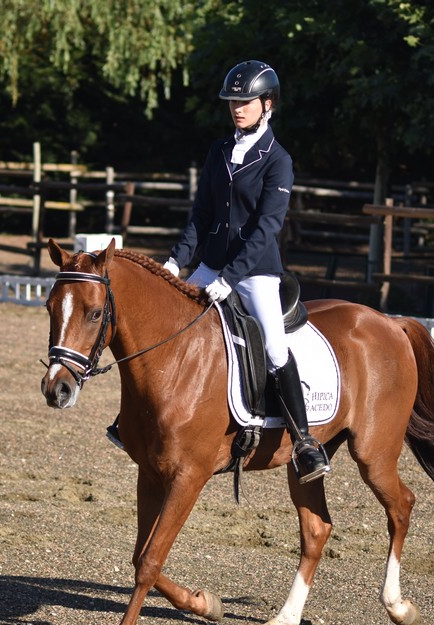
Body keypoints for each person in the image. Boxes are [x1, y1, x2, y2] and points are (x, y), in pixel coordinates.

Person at [164, 60, 329, 484]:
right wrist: (176, 261)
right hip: (210, 265)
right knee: (168, 324)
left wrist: (228, 278)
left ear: (267, 104)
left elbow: (266, 229)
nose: (237, 108)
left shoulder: (279, 161)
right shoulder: (218, 151)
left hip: (255, 272)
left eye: (246, 101)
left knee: (274, 346)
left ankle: (305, 441)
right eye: (232, 101)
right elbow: (200, 215)